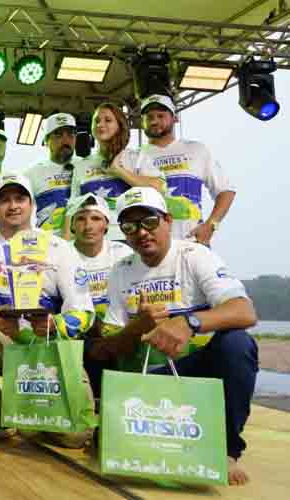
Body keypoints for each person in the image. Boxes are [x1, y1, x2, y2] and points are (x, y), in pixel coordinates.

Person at [84, 186, 258, 485]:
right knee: (89, 344)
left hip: (196, 371)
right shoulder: (121, 271)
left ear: (167, 220)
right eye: (129, 225)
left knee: (237, 343)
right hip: (150, 376)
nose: (141, 232)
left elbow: (245, 312)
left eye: (149, 221)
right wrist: (139, 325)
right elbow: (105, 351)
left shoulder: (194, 255)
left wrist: (188, 322)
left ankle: (227, 449)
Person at [0, 173, 95, 445]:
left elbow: (85, 312)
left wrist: (56, 325)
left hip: (48, 343)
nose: (13, 205)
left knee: (75, 437)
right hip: (4, 339)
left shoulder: (59, 247)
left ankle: (30, 407)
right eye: (4, 200)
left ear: (32, 205)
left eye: (20, 198)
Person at [135, 94, 236, 245]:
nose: (154, 121)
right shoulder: (134, 156)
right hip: (150, 246)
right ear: (141, 122)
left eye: (161, 116)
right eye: (149, 117)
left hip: (192, 242)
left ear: (175, 118)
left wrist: (211, 225)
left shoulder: (196, 149)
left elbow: (226, 190)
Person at [67, 102, 165, 241]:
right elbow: (72, 209)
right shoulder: (82, 165)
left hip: (131, 237)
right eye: (97, 121)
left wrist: (119, 171)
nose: (100, 124)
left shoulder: (136, 157)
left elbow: (159, 188)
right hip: (94, 242)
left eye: (108, 120)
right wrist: (67, 245)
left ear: (120, 125)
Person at [66, 194, 133, 333]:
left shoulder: (123, 253)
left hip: (117, 329)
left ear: (107, 224)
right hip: (76, 330)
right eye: (80, 219)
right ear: (71, 225)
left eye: (96, 218)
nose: (88, 226)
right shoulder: (60, 255)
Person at [24, 113, 78, 238]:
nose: (66, 140)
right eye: (58, 135)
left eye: (71, 134)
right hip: (48, 244)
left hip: (83, 243)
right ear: (46, 140)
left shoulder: (84, 166)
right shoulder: (31, 174)